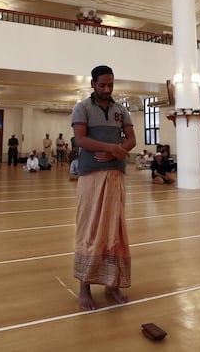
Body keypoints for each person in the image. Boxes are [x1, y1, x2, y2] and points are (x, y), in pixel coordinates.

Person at [71, 64, 136, 311]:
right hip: (91, 176)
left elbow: (131, 139)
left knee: (114, 232)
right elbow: (81, 139)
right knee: (89, 230)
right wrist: (112, 149)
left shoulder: (121, 110)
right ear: (93, 85)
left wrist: (117, 153)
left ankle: (112, 284)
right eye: (102, 85)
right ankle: (84, 287)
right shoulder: (83, 107)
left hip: (116, 176)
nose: (107, 89)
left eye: (110, 85)